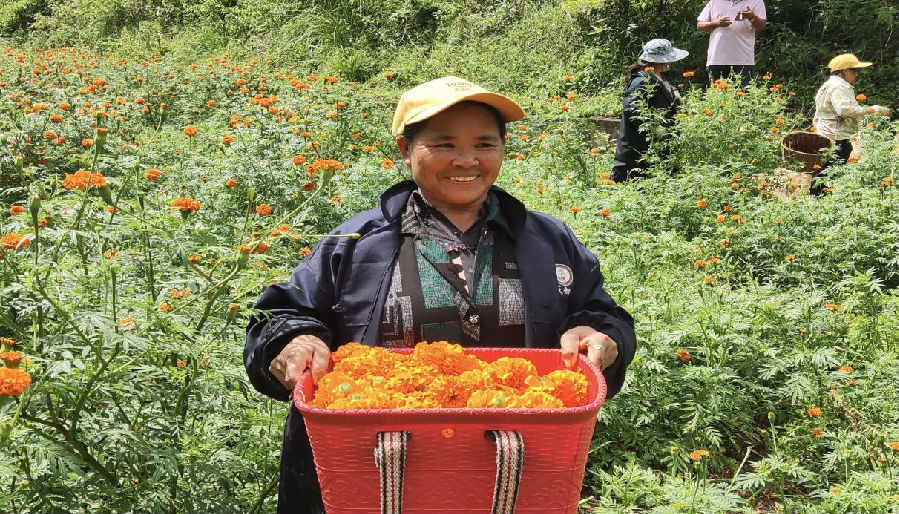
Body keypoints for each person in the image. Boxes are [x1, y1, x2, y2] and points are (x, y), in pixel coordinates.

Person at [245, 76, 637, 514]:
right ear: (405, 149)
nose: (466, 159)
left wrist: (601, 335)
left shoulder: (548, 240)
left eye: (484, 144)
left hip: (511, 472)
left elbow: (600, 313)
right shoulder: (356, 243)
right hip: (378, 474)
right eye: (445, 144)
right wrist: (293, 340)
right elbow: (281, 314)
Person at [612, 39, 687, 182]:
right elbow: (633, 111)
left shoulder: (659, 76)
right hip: (640, 149)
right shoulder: (641, 80)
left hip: (662, 146)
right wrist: (657, 130)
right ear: (661, 61)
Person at [813, 53, 890, 164]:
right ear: (845, 70)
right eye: (854, 70)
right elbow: (845, 110)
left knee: (825, 172)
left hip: (827, 135)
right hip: (836, 138)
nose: (857, 74)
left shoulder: (829, 85)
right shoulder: (838, 87)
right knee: (829, 174)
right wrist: (873, 110)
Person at [696, 0, 766, 88]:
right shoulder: (714, 2)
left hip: (743, 60)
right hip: (717, 60)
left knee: (743, 98)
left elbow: (761, 26)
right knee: (719, 98)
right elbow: (699, 25)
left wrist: (752, 17)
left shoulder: (756, 2)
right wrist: (715, 23)